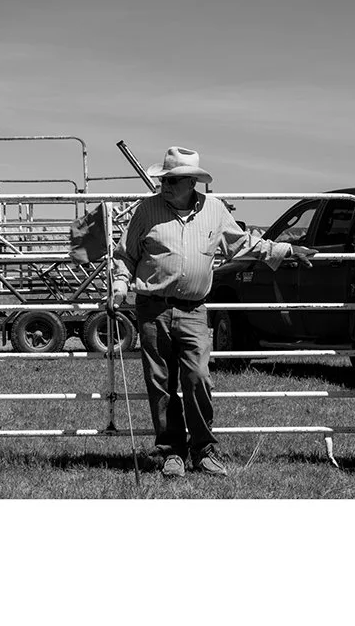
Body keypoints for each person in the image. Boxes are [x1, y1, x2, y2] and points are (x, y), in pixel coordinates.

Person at [110, 146, 316, 478]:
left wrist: (286, 248)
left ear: (192, 182)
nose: (165, 184)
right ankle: (171, 452)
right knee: (160, 381)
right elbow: (126, 254)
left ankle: (202, 449)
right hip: (153, 308)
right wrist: (120, 283)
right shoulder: (146, 211)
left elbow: (242, 243)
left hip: (193, 310)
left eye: (173, 180)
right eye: (165, 179)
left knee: (198, 378)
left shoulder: (215, 210)